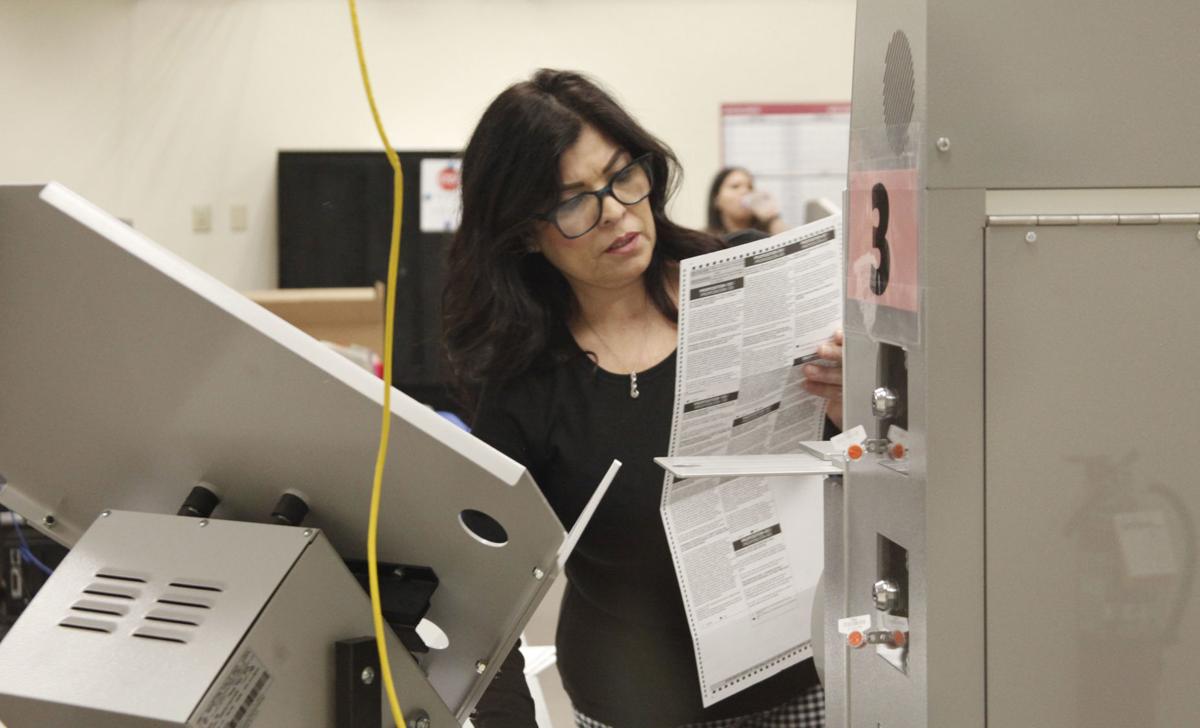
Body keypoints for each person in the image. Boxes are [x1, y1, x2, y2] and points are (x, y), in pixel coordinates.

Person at [443, 69, 844, 728]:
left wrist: (844, 412)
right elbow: (483, 587)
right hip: (629, 704)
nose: (617, 212)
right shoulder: (525, 382)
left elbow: (886, 474)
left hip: (792, 683)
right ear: (522, 231)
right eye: (572, 201)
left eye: (623, 173)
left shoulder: (747, 282)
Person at [705, 167, 788, 238]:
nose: (745, 191)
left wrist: (771, 218)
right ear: (716, 200)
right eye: (735, 186)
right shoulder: (706, 239)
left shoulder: (768, 234)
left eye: (750, 187)